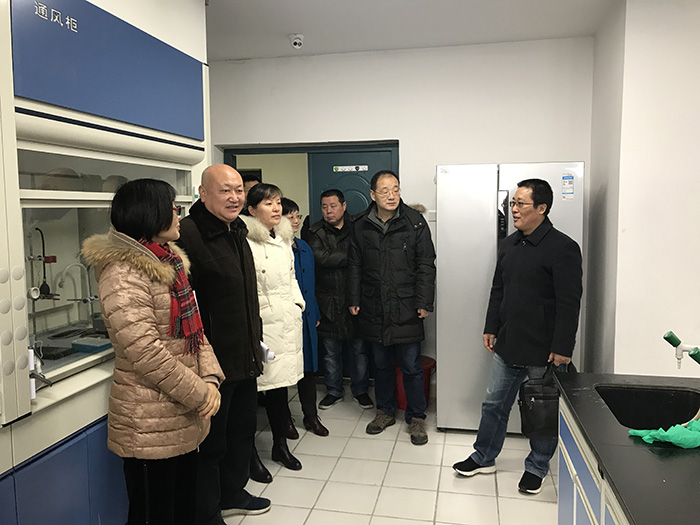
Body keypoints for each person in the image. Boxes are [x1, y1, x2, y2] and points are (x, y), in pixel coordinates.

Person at [81, 179, 224, 525]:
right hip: (149, 420)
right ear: (150, 214)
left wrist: (210, 378)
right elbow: (146, 352)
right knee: (153, 514)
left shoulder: (169, 261)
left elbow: (195, 332)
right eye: (172, 208)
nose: (179, 215)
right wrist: (200, 393)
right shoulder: (123, 273)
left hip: (182, 413)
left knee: (183, 509)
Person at [452, 178, 583, 495]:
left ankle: (537, 467)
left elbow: (569, 302)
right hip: (508, 343)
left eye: (521, 204)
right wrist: (490, 326)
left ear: (542, 208)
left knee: (542, 411)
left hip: (544, 349)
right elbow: (498, 289)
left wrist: (563, 347)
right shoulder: (509, 245)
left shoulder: (563, 248)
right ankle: (483, 457)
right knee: (493, 404)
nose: (514, 209)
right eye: (513, 203)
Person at [177, 164, 271, 522]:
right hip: (212, 362)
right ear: (203, 194)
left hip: (244, 354)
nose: (234, 197)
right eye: (225, 190)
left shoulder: (238, 230)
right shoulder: (188, 234)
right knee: (210, 442)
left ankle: (233, 492)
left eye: (239, 190)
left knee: (241, 431)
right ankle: (206, 510)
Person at [347, 170, 436, 446]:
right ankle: (385, 411)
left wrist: (424, 302)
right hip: (373, 304)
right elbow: (354, 265)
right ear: (373, 195)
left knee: (410, 366)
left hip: (406, 305)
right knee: (381, 365)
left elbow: (426, 264)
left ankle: (416, 417)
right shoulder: (360, 224)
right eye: (384, 190)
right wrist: (353, 299)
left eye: (395, 189)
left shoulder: (415, 221)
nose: (391, 195)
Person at [241, 184, 305, 471]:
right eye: (268, 203)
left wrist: (297, 303)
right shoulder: (245, 240)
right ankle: (250, 453)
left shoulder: (283, 238)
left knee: (279, 388)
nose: (277, 208)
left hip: (285, 320)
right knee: (252, 392)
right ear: (252, 210)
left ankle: (281, 446)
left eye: (278, 202)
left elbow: (291, 278)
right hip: (261, 325)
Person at [303, 189, 373, 410]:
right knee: (331, 352)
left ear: (343, 206)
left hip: (356, 299)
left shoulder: (358, 228)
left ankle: (361, 390)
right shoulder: (314, 232)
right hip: (328, 301)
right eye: (324, 207)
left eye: (333, 206)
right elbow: (321, 258)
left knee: (359, 350)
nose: (328, 211)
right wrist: (355, 257)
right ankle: (333, 391)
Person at [281, 197, 328, 436]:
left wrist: (315, 312)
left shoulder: (305, 247)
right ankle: (284, 420)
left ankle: (311, 416)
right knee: (282, 373)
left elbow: (311, 286)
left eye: (298, 216)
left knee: (308, 370)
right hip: (283, 321)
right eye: (290, 217)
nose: (296, 221)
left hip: (307, 318)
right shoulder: (275, 249)